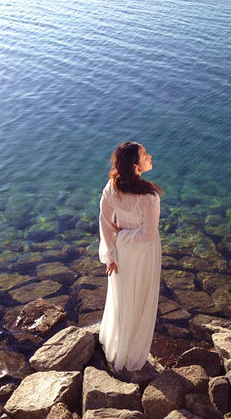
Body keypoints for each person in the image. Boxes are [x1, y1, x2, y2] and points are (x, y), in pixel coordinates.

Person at [98, 141, 162, 372]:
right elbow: (147, 235)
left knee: (122, 296)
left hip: (121, 252)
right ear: (135, 166)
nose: (150, 157)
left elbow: (104, 222)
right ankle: (132, 352)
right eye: (145, 155)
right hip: (143, 254)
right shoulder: (150, 196)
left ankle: (119, 345)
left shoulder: (111, 187)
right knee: (140, 298)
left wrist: (111, 253)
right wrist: (122, 239)